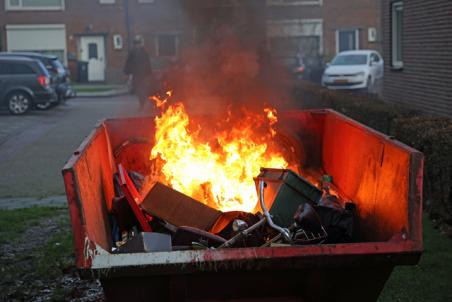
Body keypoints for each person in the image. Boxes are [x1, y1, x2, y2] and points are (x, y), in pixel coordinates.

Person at [124, 35, 152, 109]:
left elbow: (147, 62)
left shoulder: (144, 52)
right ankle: (142, 102)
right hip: (136, 74)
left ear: (140, 43)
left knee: (142, 89)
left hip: (143, 74)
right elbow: (128, 62)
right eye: (136, 43)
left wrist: (148, 73)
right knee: (138, 89)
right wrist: (128, 72)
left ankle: (143, 103)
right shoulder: (132, 53)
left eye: (138, 43)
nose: (137, 45)